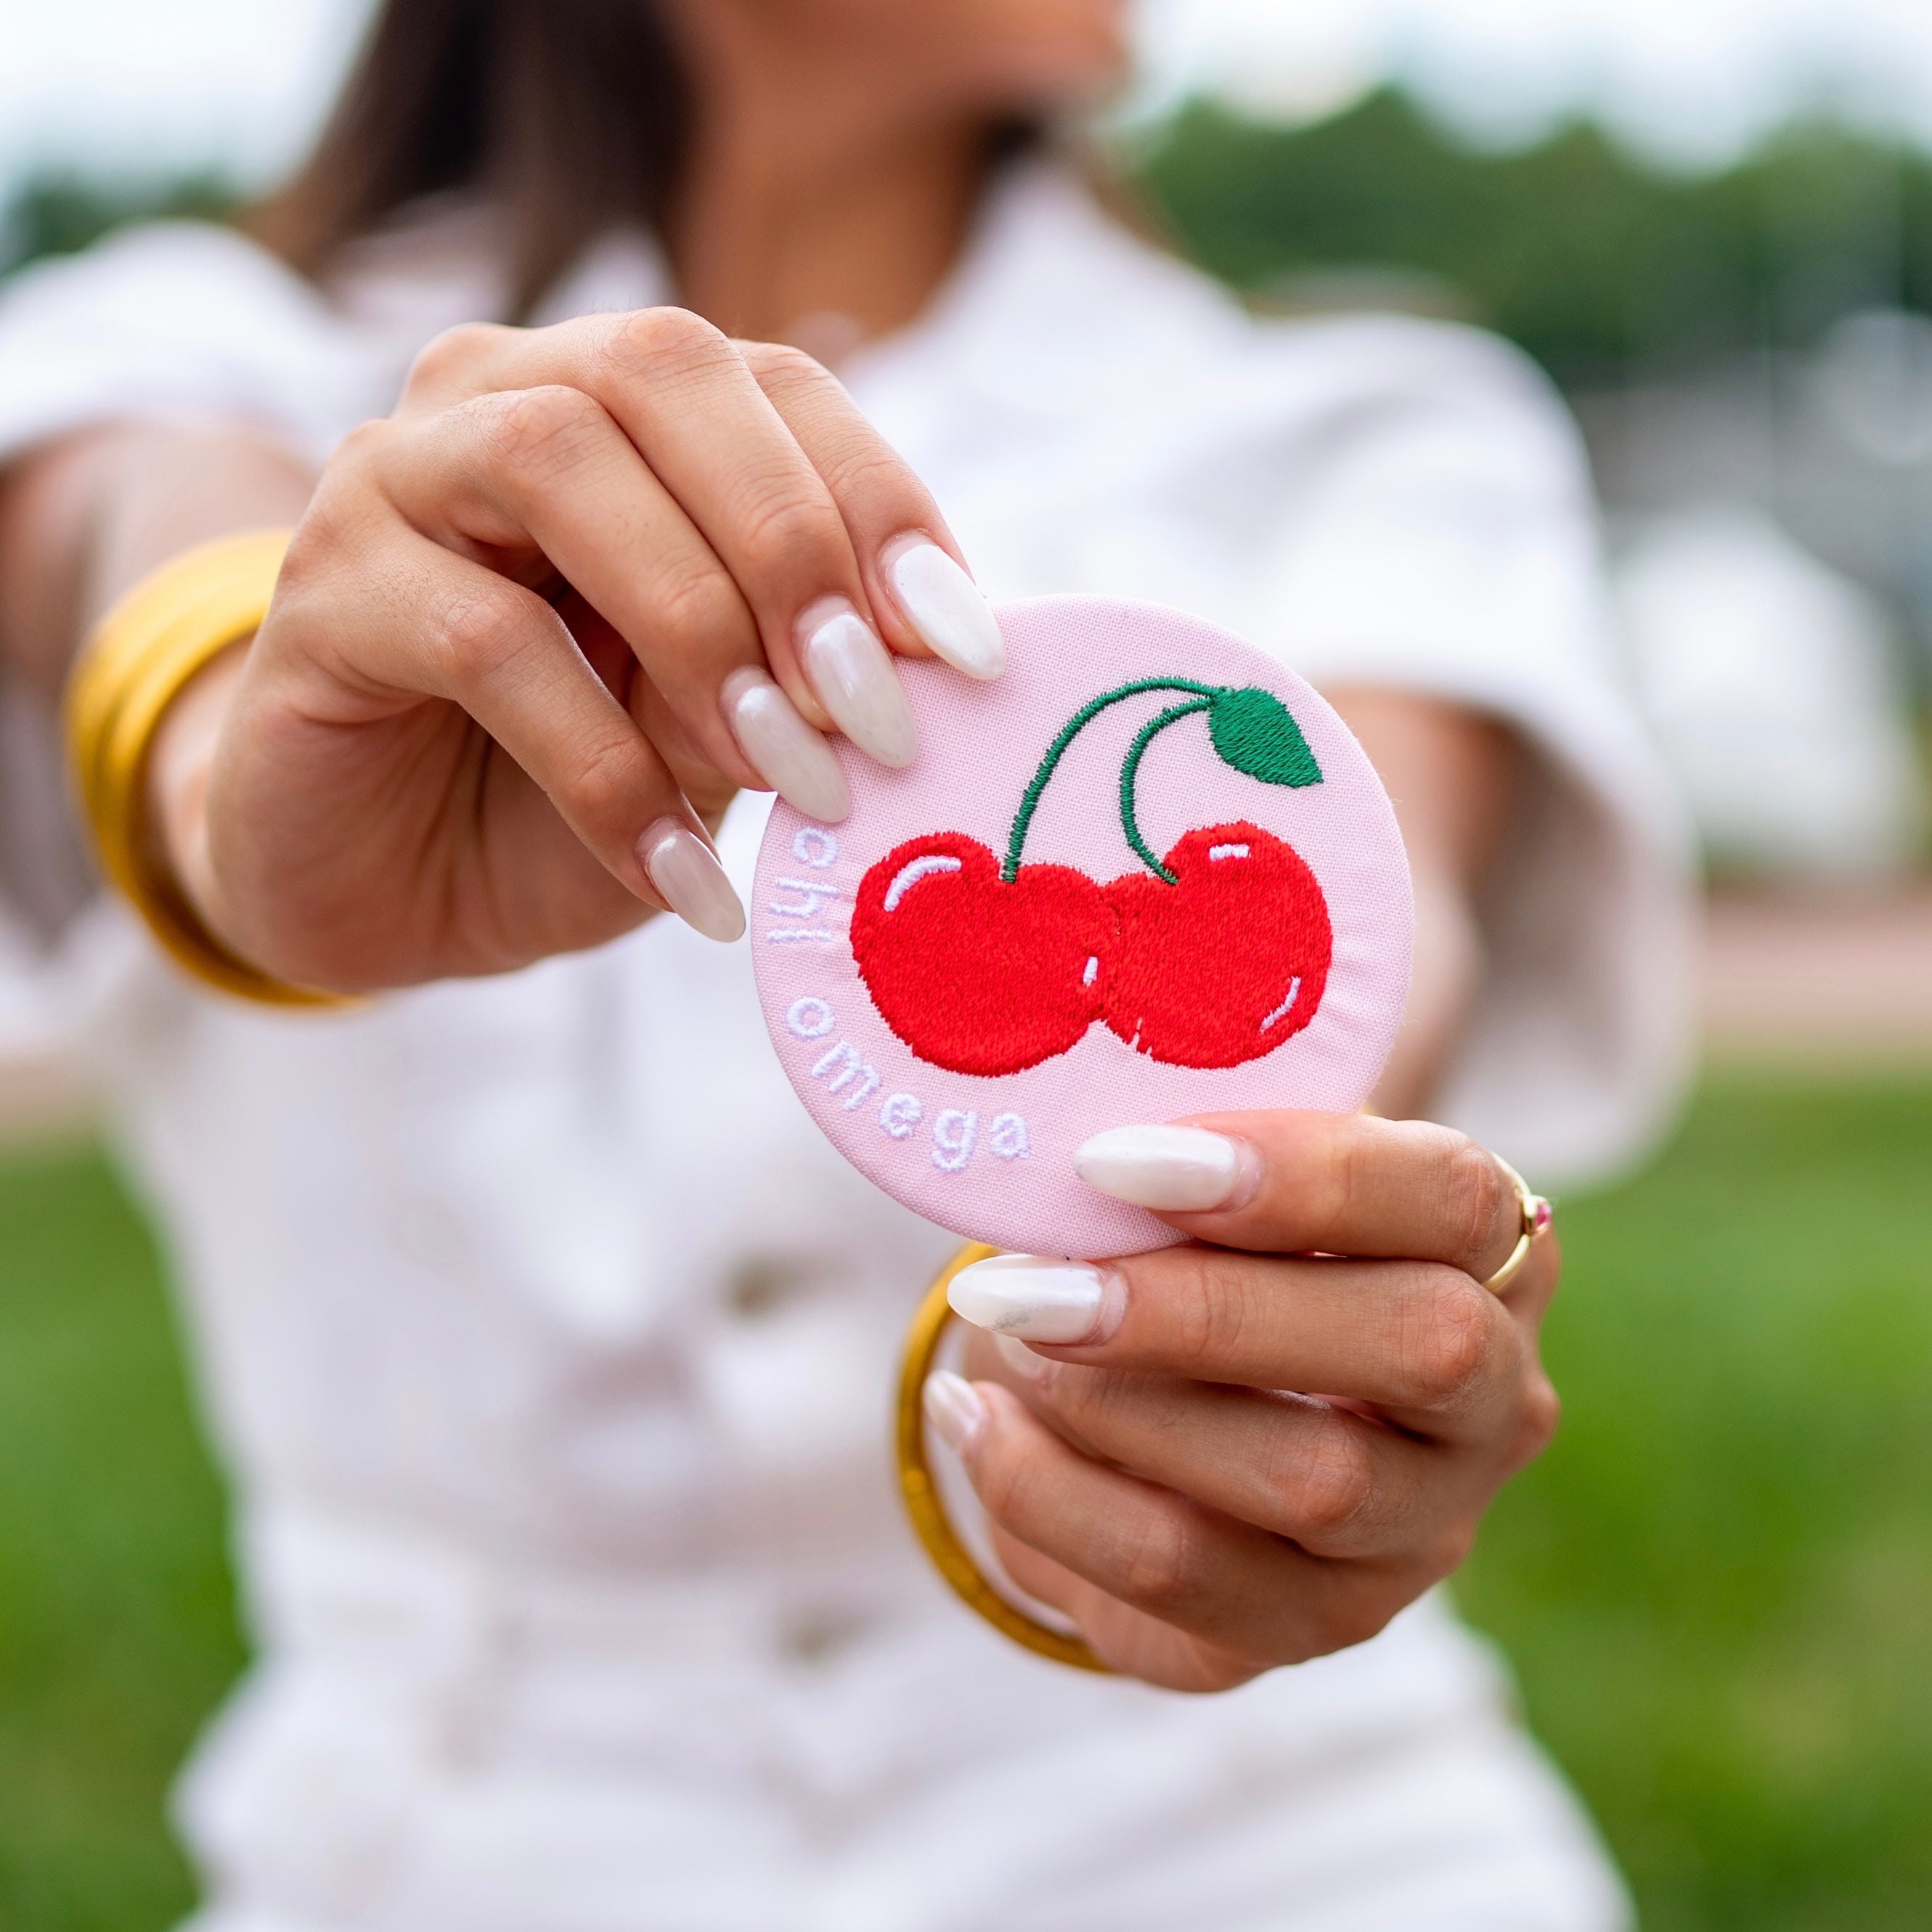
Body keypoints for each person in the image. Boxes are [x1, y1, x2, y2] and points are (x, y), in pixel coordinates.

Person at [0, 1, 1692, 1925]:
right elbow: (147, 543)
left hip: (1279, 1843)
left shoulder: (1362, 419)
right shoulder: (162, 356)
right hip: (432, 1848)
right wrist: (244, 792)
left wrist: (1297, 1293)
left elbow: (1374, 945)